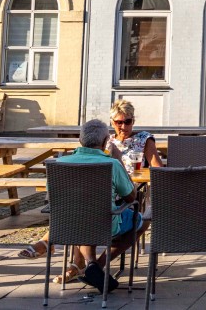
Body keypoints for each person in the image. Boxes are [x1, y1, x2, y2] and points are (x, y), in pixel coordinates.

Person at [17, 119, 142, 291]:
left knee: (82, 215)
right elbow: (131, 197)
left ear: (80, 140)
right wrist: (119, 159)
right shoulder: (112, 164)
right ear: (106, 141)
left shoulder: (59, 164)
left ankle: (88, 265)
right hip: (104, 224)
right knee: (141, 220)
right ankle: (97, 266)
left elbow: (53, 199)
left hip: (68, 223)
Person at [107, 99, 163, 171]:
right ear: (112, 123)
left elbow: (158, 170)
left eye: (128, 121)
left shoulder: (144, 139)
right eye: (119, 122)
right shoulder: (107, 141)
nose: (124, 127)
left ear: (133, 121)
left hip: (136, 181)